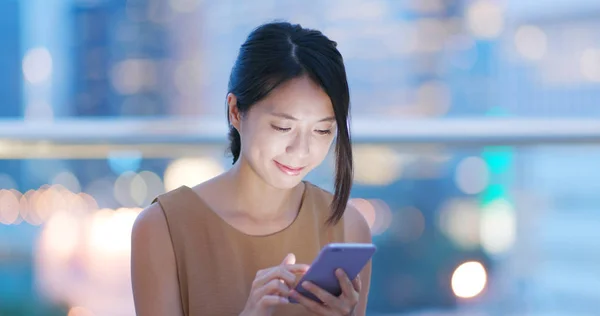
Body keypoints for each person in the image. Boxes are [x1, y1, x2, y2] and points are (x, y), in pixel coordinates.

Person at [131, 21, 372, 316]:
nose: (302, 150)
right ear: (235, 111)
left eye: (322, 131)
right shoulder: (163, 227)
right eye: (283, 127)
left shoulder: (348, 225)